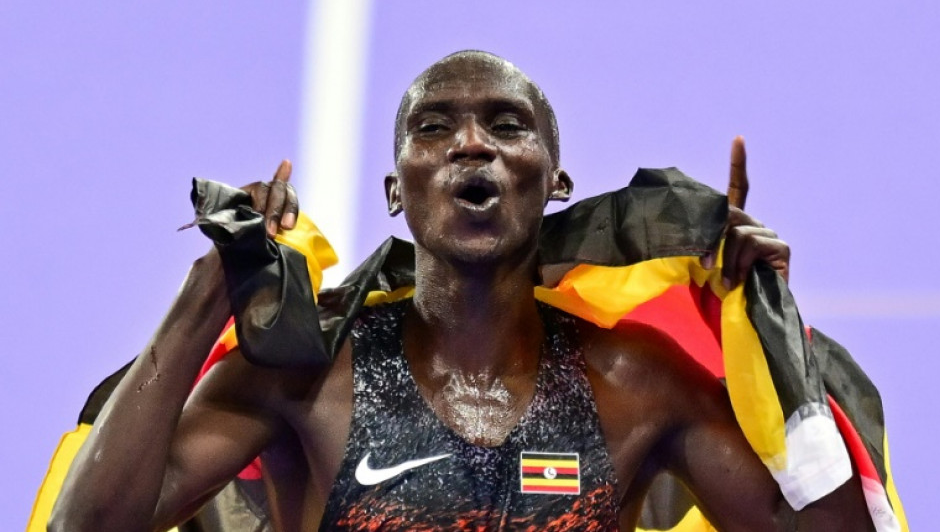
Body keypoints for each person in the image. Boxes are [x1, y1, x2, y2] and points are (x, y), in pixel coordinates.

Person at [48, 50, 875, 531]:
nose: (471, 143)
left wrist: (775, 338)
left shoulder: (636, 385)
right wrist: (210, 293)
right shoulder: (309, 374)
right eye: (434, 126)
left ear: (555, 182)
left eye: (507, 126)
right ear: (395, 192)